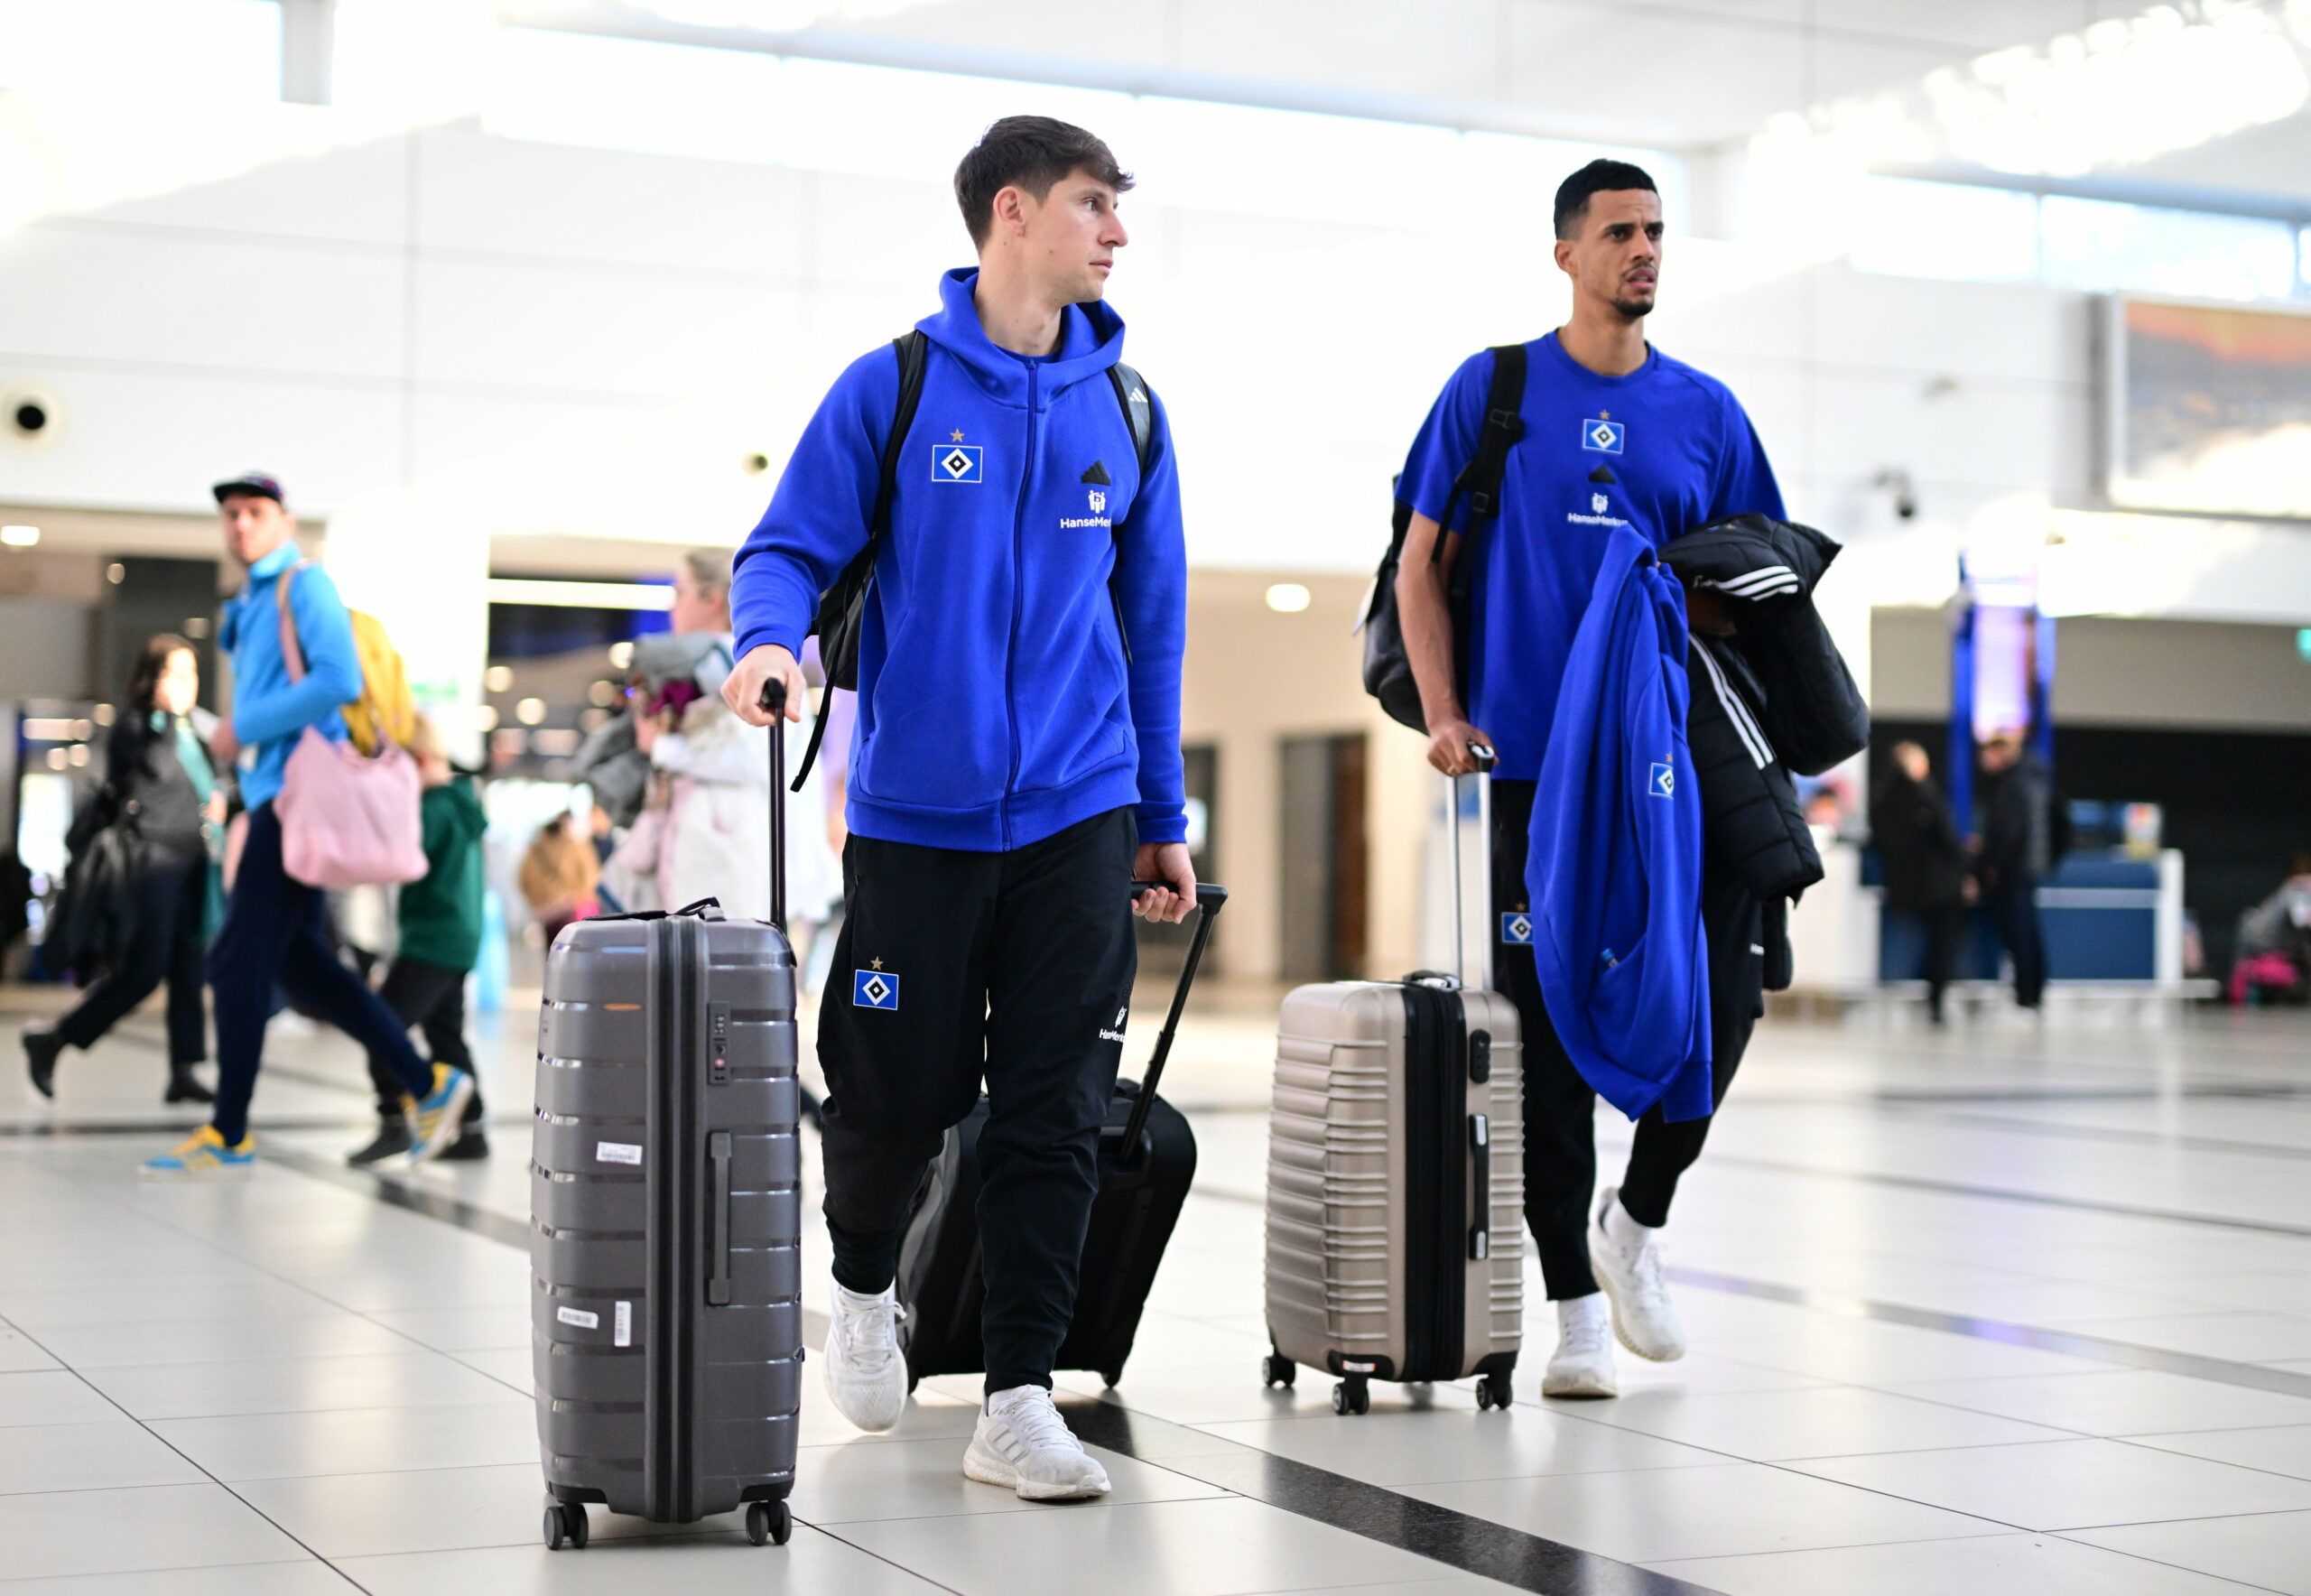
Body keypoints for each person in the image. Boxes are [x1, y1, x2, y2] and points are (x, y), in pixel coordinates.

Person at [722, 116, 1194, 1502]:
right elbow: (789, 546)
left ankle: (1020, 1393)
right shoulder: (900, 385)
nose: (1116, 232)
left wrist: (1158, 810)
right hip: (918, 818)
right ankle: (864, 1285)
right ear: (1012, 213)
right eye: (1095, 205)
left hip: (1078, 810)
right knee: (893, 1095)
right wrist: (767, 644)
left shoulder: (1134, 411)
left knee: (1055, 1108)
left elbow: (1151, 626)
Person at [1394, 160, 1786, 1399]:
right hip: (1531, 776)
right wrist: (1447, 712)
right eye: (1620, 231)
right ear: (1567, 252)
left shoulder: (1708, 414)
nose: (1645, 250)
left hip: (1674, 778)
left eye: (1658, 231)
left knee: (1723, 1007)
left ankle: (1638, 1221)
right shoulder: (1495, 390)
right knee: (1548, 1044)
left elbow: (1761, 585)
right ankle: (1570, 1304)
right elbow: (1420, 566)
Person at [144, 471, 474, 1177]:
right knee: (306, 968)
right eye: (231, 515)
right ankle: (425, 1084)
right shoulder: (252, 600)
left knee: (235, 960)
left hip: (296, 799)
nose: (240, 526)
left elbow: (338, 681)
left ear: (284, 521)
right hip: (272, 796)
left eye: (254, 513)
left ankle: (230, 1130)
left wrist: (243, 726)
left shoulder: (305, 585)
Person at [24, 635, 224, 1103]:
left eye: (190, 674)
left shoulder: (197, 730)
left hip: (194, 865)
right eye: (173, 673)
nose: (184, 684)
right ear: (151, 678)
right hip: (150, 867)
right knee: (143, 973)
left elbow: (212, 789)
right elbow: (152, 773)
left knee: (189, 973)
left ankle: (183, 1069)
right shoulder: (137, 728)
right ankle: (54, 1039)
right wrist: (171, 720)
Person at [347, 715, 490, 1165]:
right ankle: (473, 1131)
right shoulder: (460, 801)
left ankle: (393, 1121)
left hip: (432, 938)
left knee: (382, 1026)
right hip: (457, 935)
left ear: (421, 760)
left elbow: (401, 859)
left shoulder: (433, 809)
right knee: (446, 1035)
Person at [1870, 741, 1973, 1025]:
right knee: (1944, 943)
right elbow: (1948, 841)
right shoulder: (1927, 795)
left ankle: (1931, 998)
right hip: (1939, 885)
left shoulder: (1881, 798)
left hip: (1903, 884)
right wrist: (1966, 870)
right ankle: (1937, 1000)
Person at [1974, 730, 2051, 1011]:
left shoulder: (2012, 783)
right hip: (2026, 867)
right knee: (2027, 931)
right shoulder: (2032, 779)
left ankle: (2027, 994)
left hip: (2013, 870)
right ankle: (2033, 991)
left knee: (2019, 932)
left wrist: (1993, 864)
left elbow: (2009, 831)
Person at [517, 813, 599, 944]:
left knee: (553, 953)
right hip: (572, 908)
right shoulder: (576, 845)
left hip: (546, 912)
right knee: (576, 951)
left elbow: (523, 879)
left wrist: (538, 901)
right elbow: (591, 875)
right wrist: (578, 895)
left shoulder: (535, 849)